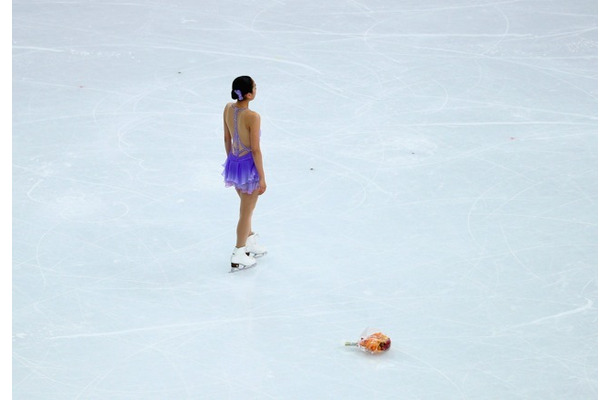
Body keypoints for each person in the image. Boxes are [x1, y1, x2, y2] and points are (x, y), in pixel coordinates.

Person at [222, 76, 267, 270]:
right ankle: (239, 252)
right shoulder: (253, 116)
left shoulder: (227, 108)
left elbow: (227, 138)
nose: (257, 89)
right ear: (248, 94)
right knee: (246, 211)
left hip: (233, 163)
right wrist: (262, 178)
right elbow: (255, 149)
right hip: (248, 168)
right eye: (255, 87)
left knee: (246, 208)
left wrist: (232, 163)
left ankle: (248, 240)